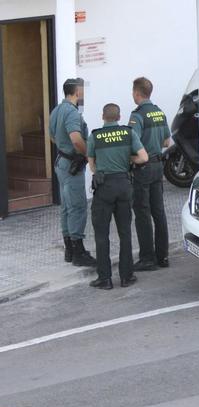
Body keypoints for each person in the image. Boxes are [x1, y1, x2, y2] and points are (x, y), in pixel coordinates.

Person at [87, 103, 149, 290]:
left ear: (103, 116)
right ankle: (126, 276)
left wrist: (102, 171)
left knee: (101, 234)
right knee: (125, 233)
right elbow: (144, 157)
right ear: (119, 116)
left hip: (104, 187)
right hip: (124, 185)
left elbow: (91, 164)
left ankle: (104, 279)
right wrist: (129, 160)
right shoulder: (128, 133)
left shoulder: (95, 136)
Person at [48, 77, 97, 266]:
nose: (84, 93)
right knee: (77, 207)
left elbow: (52, 136)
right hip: (71, 165)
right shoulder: (72, 113)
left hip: (62, 162)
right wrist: (87, 155)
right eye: (83, 90)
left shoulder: (57, 110)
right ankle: (78, 252)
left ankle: (69, 250)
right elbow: (76, 139)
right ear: (77, 91)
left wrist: (63, 146)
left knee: (66, 208)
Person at [128, 77, 171, 271]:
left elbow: (132, 142)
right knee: (158, 212)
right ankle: (163, 256)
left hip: (143, 169)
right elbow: (166, 142)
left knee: (143, 213)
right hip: (158, 166)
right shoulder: (159, 113)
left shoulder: (137, 116)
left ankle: (147, 258)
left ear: (137, 93)